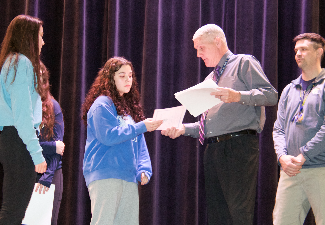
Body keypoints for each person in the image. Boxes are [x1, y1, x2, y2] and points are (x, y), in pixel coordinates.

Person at [162, 24, 278, 225]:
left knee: (239, 212)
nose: (198, 55)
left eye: (201, 48)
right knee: (217, 214)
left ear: (217, 41)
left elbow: (270, 96)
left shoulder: (243, 62)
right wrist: (183, 129)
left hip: (239, 146)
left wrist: (238, 96)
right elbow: (209, 124)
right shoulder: (210, 79)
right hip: (214, 150)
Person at [81, 57, 162, 225]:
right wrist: (142, 126)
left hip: (128, 177)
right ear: (110, 78)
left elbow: (140, 144)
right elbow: (109, 136)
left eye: (130, 76)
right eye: (122, 76)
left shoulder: (127, 108)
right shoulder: (102, 104)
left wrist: (144, 168)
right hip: (106, 174)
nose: (128, 80)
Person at [273, 33, 325, 224]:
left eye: (304, 49)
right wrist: (282, 157)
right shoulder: (289, 89)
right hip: (290, 171)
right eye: (296, 50)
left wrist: (303, 155)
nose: (298, 54)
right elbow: (278, 128)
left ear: (319, 52)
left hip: (320, 168)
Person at [0, 15, 47, 224]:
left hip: (13, 139)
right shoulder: (20, 63)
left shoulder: (14, 62)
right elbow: (22, 116)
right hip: (17, 140)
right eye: (40, 36)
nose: (43, 42)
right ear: (28, 37)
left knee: (14, 209)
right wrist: (37, 154)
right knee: (13, 210)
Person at [33, 62, 65, 225]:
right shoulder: (18, 107)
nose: (36, 79)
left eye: (39, 74)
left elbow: (60, 148)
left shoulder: (53, 106)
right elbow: (21, 144)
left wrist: (48, 176)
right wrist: (51, 146)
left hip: (50, 174)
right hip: (25, 171)